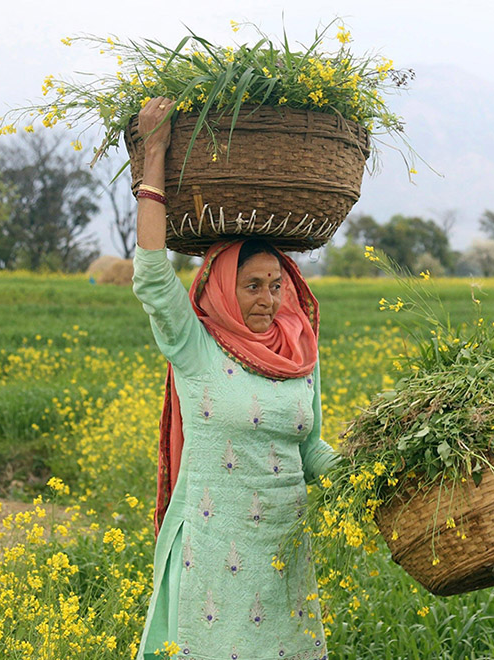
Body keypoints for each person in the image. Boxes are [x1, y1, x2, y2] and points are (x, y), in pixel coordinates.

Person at [132, 97, 337, 660]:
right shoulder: (195, 346)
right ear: (224, 286)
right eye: (253, 285)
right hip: (212, 548)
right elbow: (152, 275)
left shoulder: (299, 354)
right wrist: (155, 154)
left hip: (282, 550)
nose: (269, 299)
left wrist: (373, 470)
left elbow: (310, 448)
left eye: (277, 285)